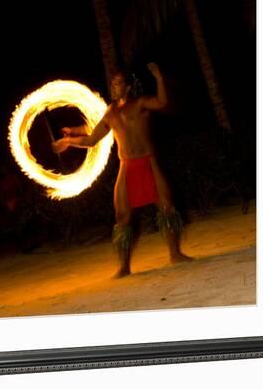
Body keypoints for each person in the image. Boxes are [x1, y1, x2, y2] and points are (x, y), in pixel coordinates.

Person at [53, 62, 191, 278]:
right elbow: (91, 139)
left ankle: (175, 254)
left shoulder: (141, 103)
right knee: (122, 217)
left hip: (149, 161)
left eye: (118, 83)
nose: (114, 86)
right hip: (127, 166)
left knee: (167, 208)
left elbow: (162, 101)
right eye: (112, 83)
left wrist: (159, 78)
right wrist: (69, 141)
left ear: (127, 87)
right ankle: (124, 267)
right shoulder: (109, 112)